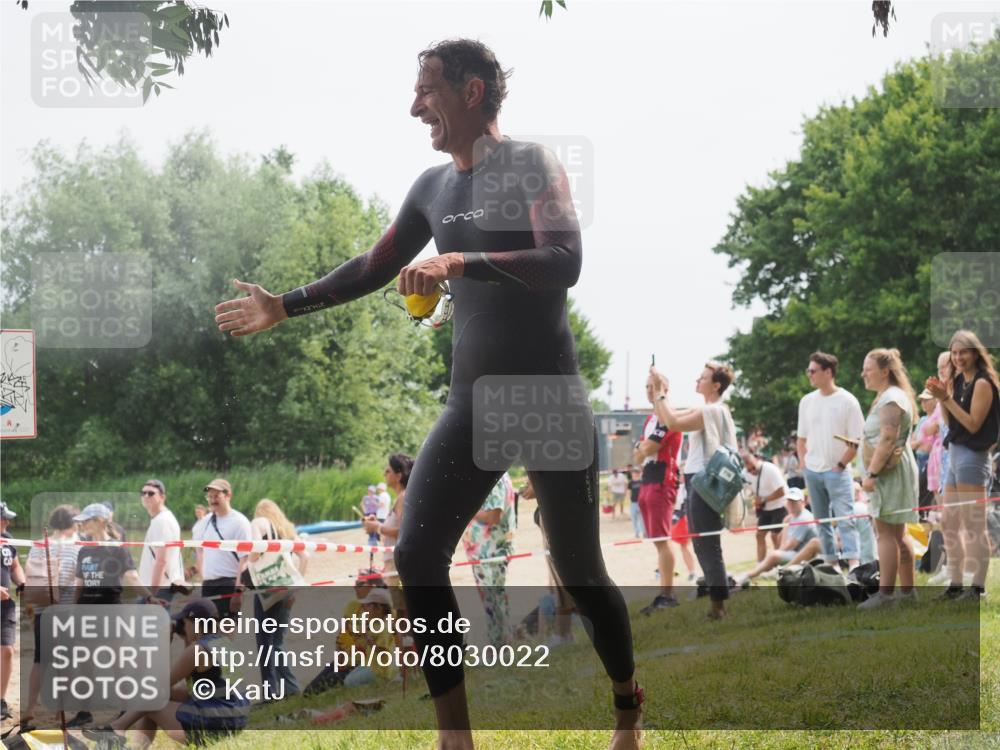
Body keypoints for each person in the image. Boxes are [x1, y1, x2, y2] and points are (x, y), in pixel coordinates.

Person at [216, 39, 642, 748]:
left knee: (580, 568)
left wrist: (461, 259)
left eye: (427, 90)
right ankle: (456, 736)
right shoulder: (431, 187)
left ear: (472, 92)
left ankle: (627, 703)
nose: (415, 106)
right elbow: (374, 264)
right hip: (470, 404)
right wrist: (284, 305)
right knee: (415, 555)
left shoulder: (531, 164)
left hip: (544, 398)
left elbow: (564, 261)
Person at [86, 598, 249, 747]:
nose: (182, 628)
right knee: (164, 694)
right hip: (235, 720)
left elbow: (159, 685)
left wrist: (165, 641)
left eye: (184, 624)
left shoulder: (197, 650)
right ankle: (125, 738)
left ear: (194, 622)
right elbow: (192, 688)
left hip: (215, 724)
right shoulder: (223, 641)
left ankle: (117, 728)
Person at [650, 362, 738, 620]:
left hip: (704, 482)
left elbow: (674, 422)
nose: (697, 381)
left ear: (716, 385)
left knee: (707, 543)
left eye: (703, 377)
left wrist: (660, 391)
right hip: (698, 481)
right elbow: (667, 416)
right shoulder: (708, 409)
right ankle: (717, 601)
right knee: (702, 542)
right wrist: (657, 391)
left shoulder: (711, 410)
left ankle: (719, 605)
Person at [71, 503, 164, 728]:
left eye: (87, 520)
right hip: (86, 611)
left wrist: (149, 596)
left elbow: (131, 577)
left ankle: (125, 708)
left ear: (101, 521)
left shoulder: (118, 548)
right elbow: (79, 584)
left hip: (110, 610)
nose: (82, 524)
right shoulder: (84, 549)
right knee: (85, 663)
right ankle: (84, 712)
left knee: (116, 662)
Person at [925, 330, 1000, 601]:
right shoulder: (959, 381)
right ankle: (955, 583)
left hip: (973, 456)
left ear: (975, 353)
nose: (957, 358)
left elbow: (972, 424)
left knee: (973, 524)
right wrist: (942, 395)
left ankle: (977, 587)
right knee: (949, 521)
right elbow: (948, 421)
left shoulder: (983, 383)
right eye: (954, 353)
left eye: (962, 352)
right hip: (954, 453)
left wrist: (945, 398)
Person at [856, 348, 919, 610]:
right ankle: (907, 593)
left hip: (887, 474)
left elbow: (888, 437)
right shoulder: (889, 396)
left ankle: (886, 595)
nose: (863, 375)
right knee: (897, 532)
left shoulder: (892, 398)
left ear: (885, 372)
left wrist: (871, 473)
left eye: (868, 369)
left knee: (885, 533)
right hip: (890, 471)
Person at [796, 352, 865, 570]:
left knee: (846, 519)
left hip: (838, 470)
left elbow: (857, 439)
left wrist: (841, 465)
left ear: (828, 372)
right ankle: (831, 564)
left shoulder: (848, 401)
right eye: (808, 370)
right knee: (821, 523)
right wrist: (804, 464)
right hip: (813, 471)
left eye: (813, 371)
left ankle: (854, 565)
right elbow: (801, 438)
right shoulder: (806, 401)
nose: (809, 375)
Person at [21, 504, 80, 729]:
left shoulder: (38, 544)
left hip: (40, 610)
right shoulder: (73, 547)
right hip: (63, 610)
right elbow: (65, 579)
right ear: (72, 524)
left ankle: (30, 708)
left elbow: (31, 575)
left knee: (40, 660)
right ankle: (60, 709)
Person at [249, 498, 309, 700]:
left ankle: (272, 691)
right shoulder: (286, 529)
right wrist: (296, 588)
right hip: (287, 588)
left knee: (265, 642)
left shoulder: (258, 524)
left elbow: (256, 551)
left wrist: (251, 559)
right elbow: (305, 556)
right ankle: (290, 687)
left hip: (268, 589)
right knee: (277, 641)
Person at [633, 372, 683, 614]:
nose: (649, 391)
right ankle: (664, 591)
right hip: (647, 479)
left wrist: (642, 449)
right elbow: (637, 453)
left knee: (663, 539)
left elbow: (648, 447)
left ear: (664, 388)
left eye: (653, 386)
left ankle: (668, 593)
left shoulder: (667, 416)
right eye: (646, 386)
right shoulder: (651, 419)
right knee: (657, 540)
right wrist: (642, 449)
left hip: (662, 480)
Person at [462, 473, 516, 647]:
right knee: (494, 598)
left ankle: (499, 645)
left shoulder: (495, 477)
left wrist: (465, 509)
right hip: (487, 551)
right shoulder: (497, 475)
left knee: (492, 600)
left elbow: (493, 515)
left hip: (490, 551)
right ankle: (502, 642)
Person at [736, 488, 821, 585]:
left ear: (802, 502)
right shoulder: (793, 517)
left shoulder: (803, 518)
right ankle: (756, 575)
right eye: (789, 501)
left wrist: (778, 553)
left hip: (809, 556)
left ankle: (749, 575)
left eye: (794, 501)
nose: (791, 504)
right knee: (776, 555)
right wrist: (786, 525)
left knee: (775, 555)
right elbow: (784, 544)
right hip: (798, 553)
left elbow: (790, 545)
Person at [193, 479, 252, 620]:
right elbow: (198, 549)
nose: (212, 500)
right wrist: (203, 574)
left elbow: (244, 559)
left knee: (226, 634)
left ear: (228, 496)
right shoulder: (205, 522)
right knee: (205, 634)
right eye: (210, 497)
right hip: (208, 584)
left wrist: (238, 593)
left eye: (216, 496)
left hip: (229, 583)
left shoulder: (240, 522)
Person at [363, 453, 413, 614]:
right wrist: (376, 524)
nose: (384, 474)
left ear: (398, 476)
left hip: (398, 564)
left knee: (402, 613)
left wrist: (377, 527)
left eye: (388, 471)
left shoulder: (403, 497)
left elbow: (405, 532)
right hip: (395, 562)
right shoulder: (401, 497)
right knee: (401, 612)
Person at [138, 479, 185, 601]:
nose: (146, 496)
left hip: (157, 589)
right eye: (143, 493)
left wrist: (151, 595)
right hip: (160, 586)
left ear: (162, 497)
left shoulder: (162, 521)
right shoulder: (161, 519)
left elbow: (161, 561)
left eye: (151, 493)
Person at [741, 451, 790, 562]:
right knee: (759, 535)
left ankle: (779, 563)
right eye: (749, 470)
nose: (752, 472)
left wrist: (763, 499)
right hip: (765, 508)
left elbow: (781, 492)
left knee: (775, 535)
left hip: (780, 505)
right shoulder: (744, 474)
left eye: (753, 468)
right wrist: (754, 499)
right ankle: (760, 564)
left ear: (757, 460)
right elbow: (749, 490)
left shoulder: (770, 469)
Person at [0, 502, 25, 722]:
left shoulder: (7, 539)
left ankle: (1, 701)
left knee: (7, 650)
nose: (7, 522)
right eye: (3, 518)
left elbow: (15, 567)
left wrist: (23, 584)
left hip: (6, 607)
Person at [627, 468, 645, 539]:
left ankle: (644, 532)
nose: (635, 474)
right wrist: (630, 500)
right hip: (633, 503)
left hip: (641, 503)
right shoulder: (630, 483)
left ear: (638, 473)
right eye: (633, 473)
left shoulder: (642, 482)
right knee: (634, 519)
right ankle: (637, 533)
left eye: (636, 472)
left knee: (642, 519)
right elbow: (628, 492)